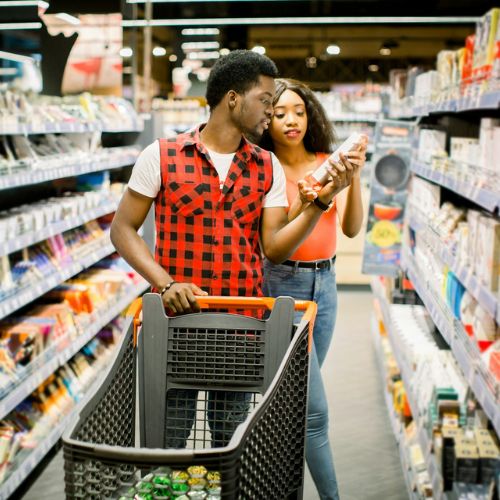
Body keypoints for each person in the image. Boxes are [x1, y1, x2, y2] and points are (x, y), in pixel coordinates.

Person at [110, 51, 354, 449]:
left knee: (229, 441)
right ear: (233, 99)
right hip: (176, 326)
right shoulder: (161, 155)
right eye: (265, 100)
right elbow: (122, 230)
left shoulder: (266, 166)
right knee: (169, 438)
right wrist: (165, 282)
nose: (271, 111)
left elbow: (273, 249)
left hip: (242, 328)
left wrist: (320, 204)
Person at [259, 78, 367, 500]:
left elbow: (353, 228)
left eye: (299, 112)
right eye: (280, 112)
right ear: (266, 120)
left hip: (327, 284)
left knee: (297, 398)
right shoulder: (264, 167)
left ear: (311, 116)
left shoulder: (327, 160)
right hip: (284, 286)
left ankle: (280, 484)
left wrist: (350, 178)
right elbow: (275, 241)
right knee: (314, 411)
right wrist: (309, 200)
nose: (291, 121)